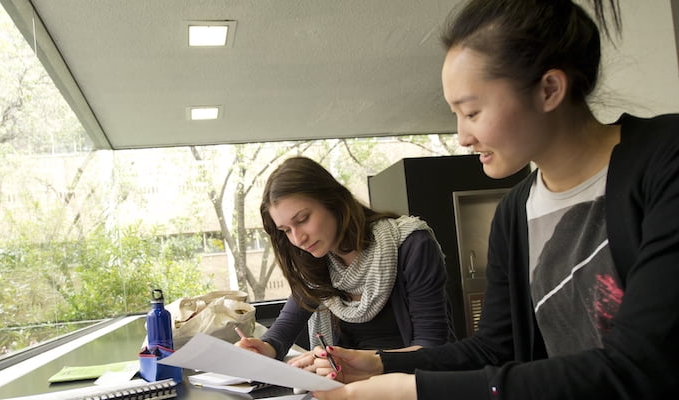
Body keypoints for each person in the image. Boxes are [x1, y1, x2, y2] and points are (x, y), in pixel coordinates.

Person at [306, 0, 679, 399]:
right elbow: (495, 348)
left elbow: (642, 364)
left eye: (471, 112)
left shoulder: (665, 160)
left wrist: (413, 390)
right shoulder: (515, 210)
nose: (462, 136)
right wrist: (381, 363)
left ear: (549, 89)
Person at [235, 156, 453, 362]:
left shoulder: (411, 245)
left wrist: (348, 361)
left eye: (302, 219)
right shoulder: (316, 261)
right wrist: (265, 347)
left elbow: (431, 348)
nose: (298, 238)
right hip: (351, 382)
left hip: (413, 384)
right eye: (286, 230)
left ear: (334, 201)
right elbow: (284, 328)